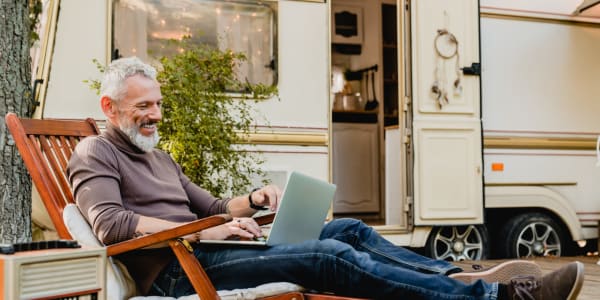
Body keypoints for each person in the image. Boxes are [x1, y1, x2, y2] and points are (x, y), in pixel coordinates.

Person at [67, 56, 584, 300]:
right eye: (143, 106)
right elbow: (110, 225)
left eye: (158, 103)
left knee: (349, 232)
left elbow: (215, 204)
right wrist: (205, 233)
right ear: (110, 107)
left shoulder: (159, 156)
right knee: (326, 257)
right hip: (180, 270)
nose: (155, 114)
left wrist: (251, 200)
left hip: (209, 248)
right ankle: (494, 299)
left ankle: (457, 279)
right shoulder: (95, 152)